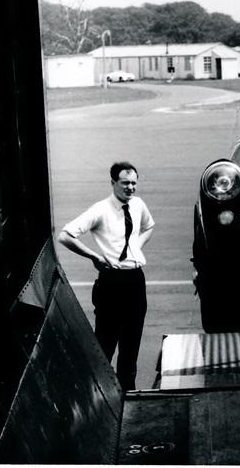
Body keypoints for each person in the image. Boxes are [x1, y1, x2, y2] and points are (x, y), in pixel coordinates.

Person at [58, 161, 155, 390]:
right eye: (124, 183)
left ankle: (127, 398)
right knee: (104, 346)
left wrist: (136, 247)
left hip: (135, 281)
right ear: (113, 183)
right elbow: (66, 236)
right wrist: (94, 257)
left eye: (133, 183)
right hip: (112, 283)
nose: (130, 188)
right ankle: (95, 395)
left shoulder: (138, 205)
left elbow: (149, 226)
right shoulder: (100, 210)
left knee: (130, 350)